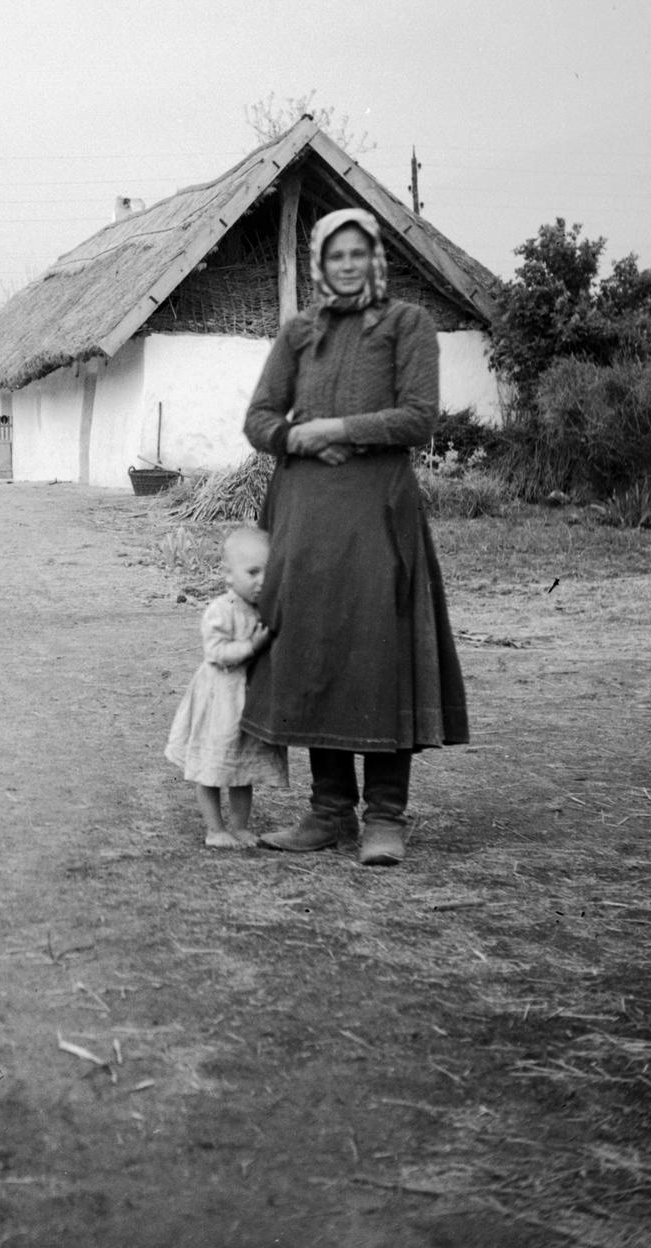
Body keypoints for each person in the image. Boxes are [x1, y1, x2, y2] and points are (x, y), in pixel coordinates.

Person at [240, 207, 467, 868]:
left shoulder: (407, 325)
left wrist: (336, 431)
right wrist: (293, 438)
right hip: (304, 516)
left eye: (357, 253)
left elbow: (420, 417)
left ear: (376, 259)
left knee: (377, 652)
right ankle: (329, 812)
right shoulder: (298, 333)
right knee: (314, 651)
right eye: (335, 255)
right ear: (320, 262)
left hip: (376, 511)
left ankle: (386, 818)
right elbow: (258, 417)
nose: (346, 264)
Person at [164, 526, 289, 848]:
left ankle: (239, 825)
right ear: (229, 575)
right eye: (252, 572)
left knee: (241, 767)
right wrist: (251, 646)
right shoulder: (221, 611)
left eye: (268, 571)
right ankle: (215, 829)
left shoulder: (263, 609)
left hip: (246, 702)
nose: (262, 580)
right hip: (220, 701)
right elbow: (216, 653)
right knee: (212, 765)